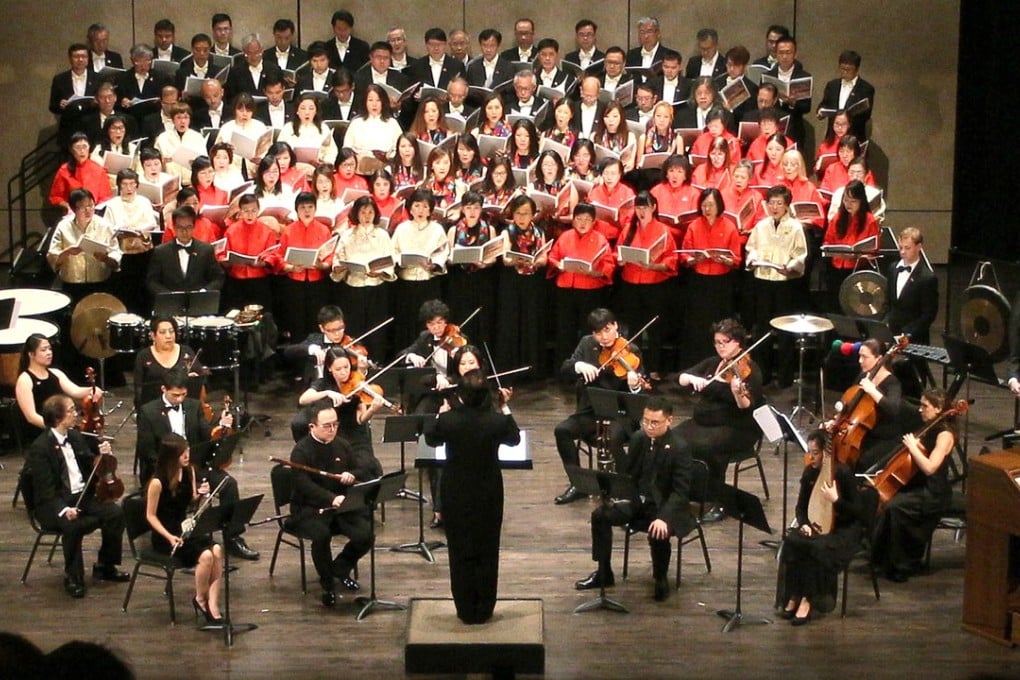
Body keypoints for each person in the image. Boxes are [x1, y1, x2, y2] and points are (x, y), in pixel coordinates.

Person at [424, 370, 520, 623]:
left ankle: (465, 610)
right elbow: (514, 438)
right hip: (488, 492)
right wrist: (504, 406)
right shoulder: (496, 421)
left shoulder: (448, 421)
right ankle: (485, 608)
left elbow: (431, 439)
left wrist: (441, 413)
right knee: (488, 549)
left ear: (461, 396)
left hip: (455, 492)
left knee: (459, 550)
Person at [574, 397, 693, 601]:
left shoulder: (679, 447)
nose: (649, 427)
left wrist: (664, 518)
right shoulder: (639, 439)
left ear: (669, 421)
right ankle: (604, 572)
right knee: (600, 515)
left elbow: (680, 492)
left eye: (655, 422)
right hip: (639, 502)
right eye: (645, 421)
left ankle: (660, 578)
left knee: (658, 530)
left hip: (666, 506)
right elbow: (629, 476)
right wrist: (615, 494)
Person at [134, 368, 257, 560]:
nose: (180, 399)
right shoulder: (148, 412)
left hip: (193, 466)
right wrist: (171, 467)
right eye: (175, 395)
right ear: (163, 389)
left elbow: (206, 434)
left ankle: (233, 537)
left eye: (183, 394)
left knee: (228, 484)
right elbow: (147, 450)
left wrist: (220, 427)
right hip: (166, 470)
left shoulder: (193, 406)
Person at [26, 394, 129, 598]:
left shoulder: (75, 436)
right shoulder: (40, 448)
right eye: (71, 410)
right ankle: (73, 577)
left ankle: (105, 566)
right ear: (58, 418)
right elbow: (46, 490)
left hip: (82, 497)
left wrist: (103, 455)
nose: (77, 414)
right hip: (54, 504)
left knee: (115, 514)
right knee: (72, 526)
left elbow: (91, 465)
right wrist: (64, 509)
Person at [553, 308, 647, 505]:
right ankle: (578, 484)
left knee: (612, 439)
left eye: (607, 330)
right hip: (591, 411)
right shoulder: (587, 344)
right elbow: (565, 369)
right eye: (598, 332)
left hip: (621, 415)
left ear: (615, 326)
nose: (603, 337)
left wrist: (634, 386)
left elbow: (640, 395)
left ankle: (627, 487)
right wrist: (578, 366)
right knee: (562, 430)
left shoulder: (631, 350)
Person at [288, 401, 377, 606]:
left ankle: (340, 568)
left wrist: (350, 475)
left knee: (365, 535)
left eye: (335, 424)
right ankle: (327, 583)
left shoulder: (342, 445)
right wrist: (330, 498)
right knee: (321, 536)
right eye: (327, 426)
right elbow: (304, 485)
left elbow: (359, 470)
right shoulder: (301, 451)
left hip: (340, 507)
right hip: (309, 507)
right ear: (312, 426)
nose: (332, 429)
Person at [674, 318, 764, 521]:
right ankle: (683, 493)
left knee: (708, 448)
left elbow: (746, 406)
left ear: (738, 343)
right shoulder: (713, 363)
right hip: (703, 422)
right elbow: (680, 378)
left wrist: (738, 393)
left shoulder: (750, 369)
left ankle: (717, 501)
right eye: (717, 342)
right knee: (673, 440)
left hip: (737, 426)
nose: (721, 346)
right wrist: (692, 378)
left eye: (726, 342)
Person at [777, 430, 865, 625]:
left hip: (844, 531)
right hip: (817, 526)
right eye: (809, 452)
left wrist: (837, 501)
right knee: (792, 541)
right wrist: (804, 524)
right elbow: (801, 508)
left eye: (815, 453)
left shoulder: (842, 473)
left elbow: (858, 512)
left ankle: (807, 600)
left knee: (817, 547)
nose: (811, 457)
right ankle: (794, 594)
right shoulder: (810, 472)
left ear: (826, 453)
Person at [872, 388, 956, 583]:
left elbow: (930, 467)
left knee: (894, 507)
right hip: (919, 485)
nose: (920, 409)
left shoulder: (945, 435)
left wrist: (912, 447)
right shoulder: (928, 426)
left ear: (938, 408)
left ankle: (901, 564)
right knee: (884, 501)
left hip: (933, 492)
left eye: (925, 406)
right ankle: (881, 559)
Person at [145, 433, 224, 623]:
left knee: (217, 550)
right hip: (166, 535)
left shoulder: (189, 472)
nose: (187, 455)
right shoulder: (157, 482)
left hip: (184, 530)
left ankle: (213, 604)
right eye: (182, 453)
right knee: (206, 557)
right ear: (171, 457)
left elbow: (191, 501)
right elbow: (150, 516)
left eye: (187, 450)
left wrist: (202, 495)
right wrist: (169, 537)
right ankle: (200, 599)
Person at [745, 185, 807, 387]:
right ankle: (762, 375)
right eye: (771, 203)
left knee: (785, 330)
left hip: (784, 283)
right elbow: (751, 248)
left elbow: (800, 254)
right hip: (763, 281)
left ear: (787, 205)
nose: (775, 207)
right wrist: (753, 259)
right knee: (762, 329)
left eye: (779, 203)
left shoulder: (795, 227)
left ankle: (784, 378)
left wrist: (791, 266)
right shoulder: (761, 225)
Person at [294, 348, 387, 460]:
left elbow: (361, 419)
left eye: (346, 367)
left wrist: (372, 409)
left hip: (352, 432)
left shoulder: (356, 383)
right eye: (338, 369)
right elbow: (303, 399)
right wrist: (327, 393)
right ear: (329, 368)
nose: (343, 372)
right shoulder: (323, 383)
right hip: (332, 433)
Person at [831, 338, 903, 473]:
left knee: (858, 462)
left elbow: (893, 409)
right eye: (859, 356)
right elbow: (849, 401)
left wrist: (872, 390)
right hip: (861, 432)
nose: (860, 361)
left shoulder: (892, 382)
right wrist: (836, 421)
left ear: (879, 359)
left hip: (882, 436)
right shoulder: (864, 375)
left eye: (864, 357)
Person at [15, 334, 101, 443]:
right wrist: (56, 428)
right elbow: (31, 417)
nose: (49, 353)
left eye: (50, 349)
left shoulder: (56, 373)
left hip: (61, 427)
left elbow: (75, 390)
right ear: (31, 354)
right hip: (41, 432)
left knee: (93, 442)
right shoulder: (25, 380)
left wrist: (92, 389)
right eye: (43, 350)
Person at [46, 188, 122, 302]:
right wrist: (67, 252)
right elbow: (52, 255)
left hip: (99, 281)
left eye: (91, 206)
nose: (88, 211)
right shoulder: (63, 226)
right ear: (73, 209)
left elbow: (115, 252)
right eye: (82, 207)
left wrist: (106, 258)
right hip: (71, 282)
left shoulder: (105, 225)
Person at [822, 180, 879, 312]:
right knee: (835, 305)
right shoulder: (838, 218)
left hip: (857, 269)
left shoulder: (870, 220)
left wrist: (860, 254)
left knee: (854, 306)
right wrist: (830, 249)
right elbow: (827, 240)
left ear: (861, 201)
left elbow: (874, 249)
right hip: (837, 268)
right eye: (846, 200)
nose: (848, 204)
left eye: (853, 201)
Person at [145, 204, 224, 301]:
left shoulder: (206, 250)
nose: (184, 231)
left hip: (199, 303)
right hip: (170, 304)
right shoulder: (160, 251)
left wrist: (204, 292)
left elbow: (218, 277)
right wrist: (168, 295)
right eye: (180, 227)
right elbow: (152, 281)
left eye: (188, 227)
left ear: (194, 227)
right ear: (174, 227)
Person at [133, 315, 205, 407]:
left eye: (171, 331)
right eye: (162, 332)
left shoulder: (186, 351)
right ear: (153, 336)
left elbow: (201, 381)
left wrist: (194, 378)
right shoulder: (143, 356)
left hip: (185, 405)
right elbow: (139, 390)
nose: (168, 336)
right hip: (153, 407)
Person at [885, 227, 938, 345]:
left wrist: (909, 334)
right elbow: (888, 301)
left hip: (915, 338)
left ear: (919, 247)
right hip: (891, 333)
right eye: (901, 248)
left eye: (907, 248)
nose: (902, 252)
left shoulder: (927, 278)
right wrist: (886, 323)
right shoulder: (893, 269)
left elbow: (929, 314)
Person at [817, 50, 875, 141]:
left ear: (857, 69)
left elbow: (866, 115)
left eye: (848, 70)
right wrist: (820, 111)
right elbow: (824, 103)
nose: (844, 72)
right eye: (842, 68)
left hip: (854, 137)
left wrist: (847, 116)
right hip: (832, 136)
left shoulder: (866, 89)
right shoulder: (832, 85)